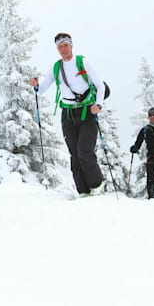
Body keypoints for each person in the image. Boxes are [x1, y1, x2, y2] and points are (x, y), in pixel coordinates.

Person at [29, 32, 106, 196]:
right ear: (57, 49)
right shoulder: (56, 67)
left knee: (84, 151)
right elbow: (41, 90)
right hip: (68, 114)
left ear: (71, 46)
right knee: (74, 153)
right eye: (60, 46)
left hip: (86, 111)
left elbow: (100, 86)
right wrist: (35, 85)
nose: (63, 49)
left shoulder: (82, 62)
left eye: (65, 45)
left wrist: (98, 105)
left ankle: (97, 185)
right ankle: (83, 190)